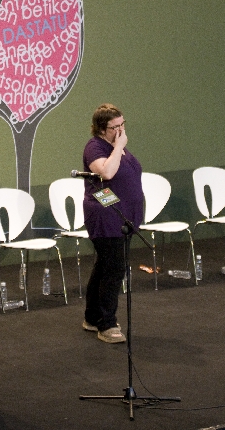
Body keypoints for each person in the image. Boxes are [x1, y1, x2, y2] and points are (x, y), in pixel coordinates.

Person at [81, 104, 143, 343]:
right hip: (105, 217)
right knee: (115, 269)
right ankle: (106, 324)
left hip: (122, 215)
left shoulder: (118, 146)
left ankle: (92, 317)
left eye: (122, 125)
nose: (120, 130)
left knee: (104, 266)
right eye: (114, 127)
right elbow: (106, 173)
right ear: (100, 128)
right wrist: (118, 147)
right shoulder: (95, 147)